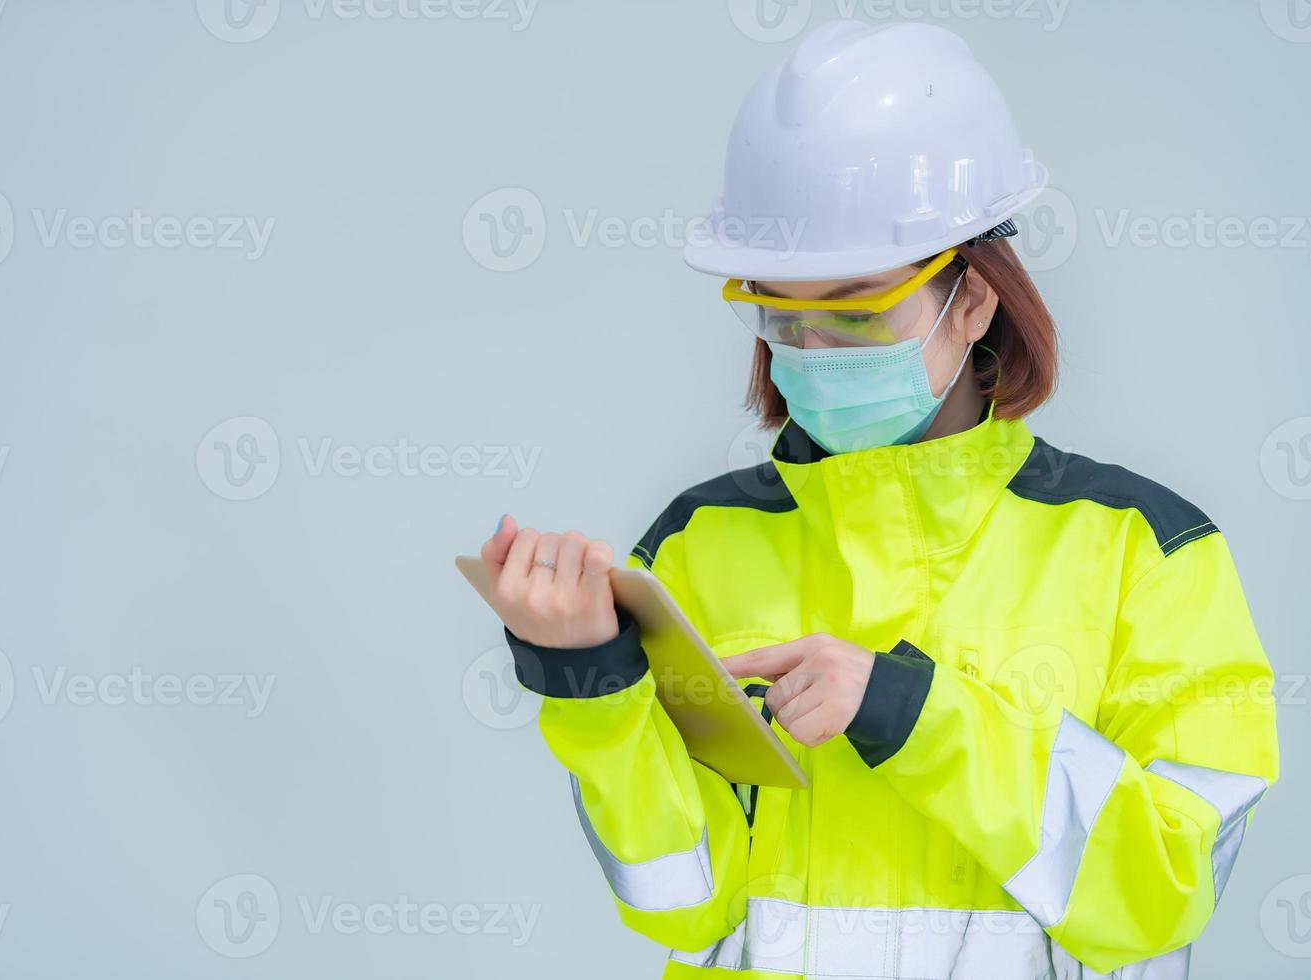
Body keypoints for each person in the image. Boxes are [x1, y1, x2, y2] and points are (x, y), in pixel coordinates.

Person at [478, 21, 1278, 980]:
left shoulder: (1145, 553)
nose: (810, 352)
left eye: (854, 310)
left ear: (974, 298)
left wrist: (915, 714)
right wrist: (591, 684)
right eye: (780, 311)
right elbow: (681, 908)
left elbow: (1160, 896)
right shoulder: (697, 546)